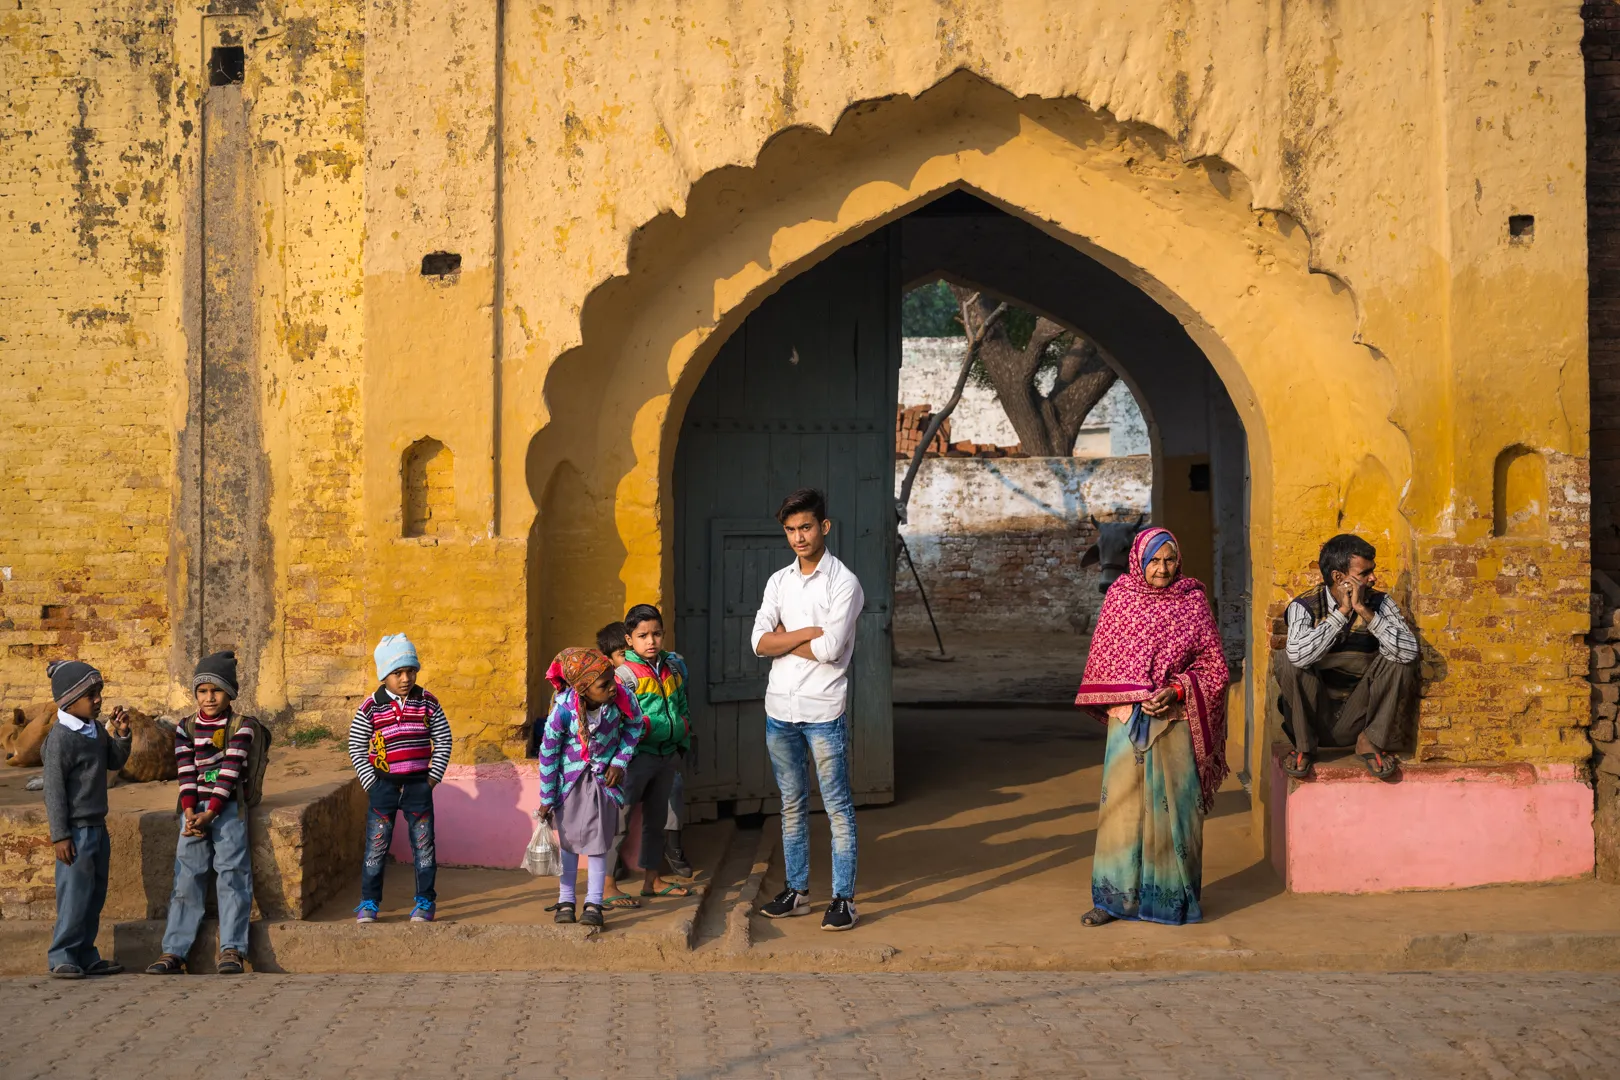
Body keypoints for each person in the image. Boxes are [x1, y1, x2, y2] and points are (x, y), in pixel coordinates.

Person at [1074, 527, 1228, 927]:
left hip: (1176, 719)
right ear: (1139, 561)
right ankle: (1112, 901)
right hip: (1128, 719)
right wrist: (1133, 692)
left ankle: (1172, 901)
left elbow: (1214, 667)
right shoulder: (1121, 598)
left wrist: (1176, 690)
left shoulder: (1192, 600)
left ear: (1179, 561)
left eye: (1169, 560)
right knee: (1121, 811)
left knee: (1177, 810)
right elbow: (1105, 659)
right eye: (1154, 561)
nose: (1162, 569)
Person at [750, 488, 865, 931]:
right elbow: (758, 642)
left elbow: (831, 649)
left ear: (824, 527)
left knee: (837, 807)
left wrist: (784, 637)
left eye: (806, 527)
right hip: (779, 709)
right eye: (790, 529)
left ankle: (844, 899)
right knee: (792, 805)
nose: (798, 537)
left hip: (823, 711)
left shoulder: (844, 583)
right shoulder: (778, 581)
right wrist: (806, 634)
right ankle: (796, 892)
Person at [146, 651, 260, 976]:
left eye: (217, 690)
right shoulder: (185, 728)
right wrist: (189, 813)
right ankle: (174, 950)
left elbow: (229, 773)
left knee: (233, 876)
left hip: (227, 809)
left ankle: (232, 949)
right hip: (193, 811)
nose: (209, 698)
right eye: (202, 691)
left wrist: (210, 814)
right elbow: (186, 774)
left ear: (230, 693)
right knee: (187, 878)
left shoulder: (242, 727)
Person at [1277, 533, 1420, 780]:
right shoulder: (1305, 605)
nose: (1373, 578)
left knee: (1399, 657)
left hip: (1358, 716)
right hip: (1315, 716)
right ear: (1339, 578)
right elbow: (1298, 657)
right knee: (1286, 659)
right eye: (1365, 573)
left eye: (1372, 570)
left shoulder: (1379, 603)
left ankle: (1370, 742)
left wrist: (1363, 610)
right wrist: (1342, 613)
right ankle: (1304, 747)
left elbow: (1409, 652)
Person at [348, 634, 452, 924]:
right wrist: (371, 783)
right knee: (376, 847)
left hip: (419, 786)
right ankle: (369, 902)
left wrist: (432, 779)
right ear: (384, 675)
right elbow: (356, 744)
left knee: (424, 847)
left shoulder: (428, 703)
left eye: (410, 671)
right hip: (383, 787)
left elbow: (443, 739)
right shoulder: (371, 707)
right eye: (398, 673)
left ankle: (425, 902)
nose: (405, 679)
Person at [538, 647, 643, 928]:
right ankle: (566, 900)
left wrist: (619, 762)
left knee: (598, 845)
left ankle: (594, 903)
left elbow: (635, 726)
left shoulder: (622, 699)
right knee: (569, 844)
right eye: (603, 685)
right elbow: (548, 754)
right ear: (583, 690)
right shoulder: (563, 710)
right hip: (569, 787)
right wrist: (547, 797)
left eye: (612, 680)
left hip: (603, 784)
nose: (612, 687)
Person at [41, 659, 132, 978]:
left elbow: (114, 760)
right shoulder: (61, 738)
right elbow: (53, 790)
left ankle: (85, 953)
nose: (98, 700)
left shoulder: (94, 730)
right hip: (75, 833)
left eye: (99, 692)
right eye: (91, 695)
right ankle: (62, 955)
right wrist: (60, 835)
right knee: (74, 895)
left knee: (94, 895)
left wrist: (122, 734)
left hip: (97, 827)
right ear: (69, 700)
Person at [615, 604, 696, 885]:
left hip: (667, 756)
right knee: (620, 819)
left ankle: (654, 878)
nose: (651, 641)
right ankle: (607, 880)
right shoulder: (624, 676)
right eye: (643, 636)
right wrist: (647, 730)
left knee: (657, 820)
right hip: (637, 758)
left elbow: (681, 705)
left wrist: (682, 734)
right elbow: (621, 720)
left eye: (657, 634)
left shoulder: (671, 668)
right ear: (629, 639)